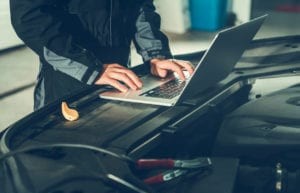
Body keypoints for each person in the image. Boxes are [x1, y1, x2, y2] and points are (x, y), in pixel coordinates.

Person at [10, 0, 194, 110]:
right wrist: (91, 69)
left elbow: (139, 5)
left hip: (119, 74)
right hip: (66, 79)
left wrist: (155, 54)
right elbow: (29, 20)